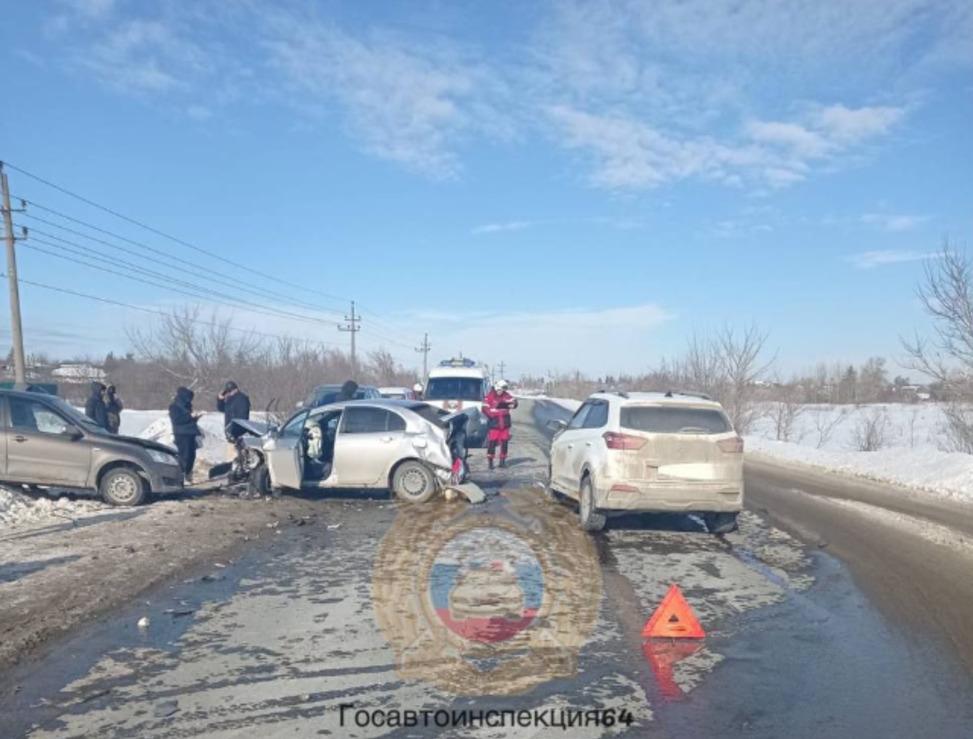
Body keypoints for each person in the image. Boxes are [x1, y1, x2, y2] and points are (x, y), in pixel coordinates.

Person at [483, 379, 518, 469]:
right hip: (494, 424)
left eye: (503, 390)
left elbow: (514, 402)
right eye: (500, 390)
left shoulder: (506, 395)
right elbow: (485, 408)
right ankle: (490, 462)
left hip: (505, 424)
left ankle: (502, 461)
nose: (501, 392)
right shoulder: (489, 396)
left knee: (504, 443)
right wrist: (493, 413)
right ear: (497, 388)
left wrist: (512, 404)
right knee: (492, 443)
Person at [169, 386, 201, 482]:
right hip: (182, 434)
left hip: (190, 433)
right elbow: (177, 420)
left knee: (192, 455)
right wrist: (190, 416)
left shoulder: (187, 406)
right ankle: (181, 476)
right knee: (184, 456)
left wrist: (195, 417)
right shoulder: (174, 406)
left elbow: (188, 419)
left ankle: (188, 474)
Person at [217, 380, 251, 460]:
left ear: (235, 389)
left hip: (237, 432)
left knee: (235, 457)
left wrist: (235, 430)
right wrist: (220, 400)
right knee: (231, 456)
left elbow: (242, 417)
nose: (229, 393)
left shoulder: (242, 399)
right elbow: (222, 409)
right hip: (230, 432)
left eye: (230, 391)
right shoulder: (230, 400)